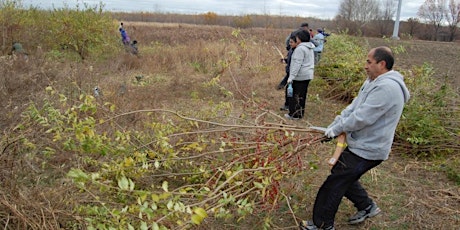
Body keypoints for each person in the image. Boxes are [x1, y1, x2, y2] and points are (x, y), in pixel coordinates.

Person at [299, 46, 410, 230]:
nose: (365, 65)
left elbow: (361, 118)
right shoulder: (372, 81)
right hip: (362, 143)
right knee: (344, 175)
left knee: (335, 182)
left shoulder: (387, 88)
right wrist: (336, 125)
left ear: (382, 64)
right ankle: (367, 207)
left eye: (369, 62)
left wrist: (336, 130)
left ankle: (322, 225)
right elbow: (354, 107)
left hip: (370, 149)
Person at [284, 30, 315, 120]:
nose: (296, 39)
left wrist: (291, 77)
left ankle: (294, 114)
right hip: (307, 75)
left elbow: (297, 64)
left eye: (297, 37)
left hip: (300, 76)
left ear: (300, 38)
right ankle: (300, 113)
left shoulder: (300, 49)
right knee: (302, 95)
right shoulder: (309, 47)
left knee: (295, 95)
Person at [277, 34, 298, 111]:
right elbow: (289, 61)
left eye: (291, 42)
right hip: (289, 72)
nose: (290, 44)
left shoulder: (297, 51)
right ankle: (288, 105)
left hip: (293, 74)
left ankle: (289, 105)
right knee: (288, 90)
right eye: (289, 42)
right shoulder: (291, 50)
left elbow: (296, 63)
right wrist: (285, 60)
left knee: (289, 90)